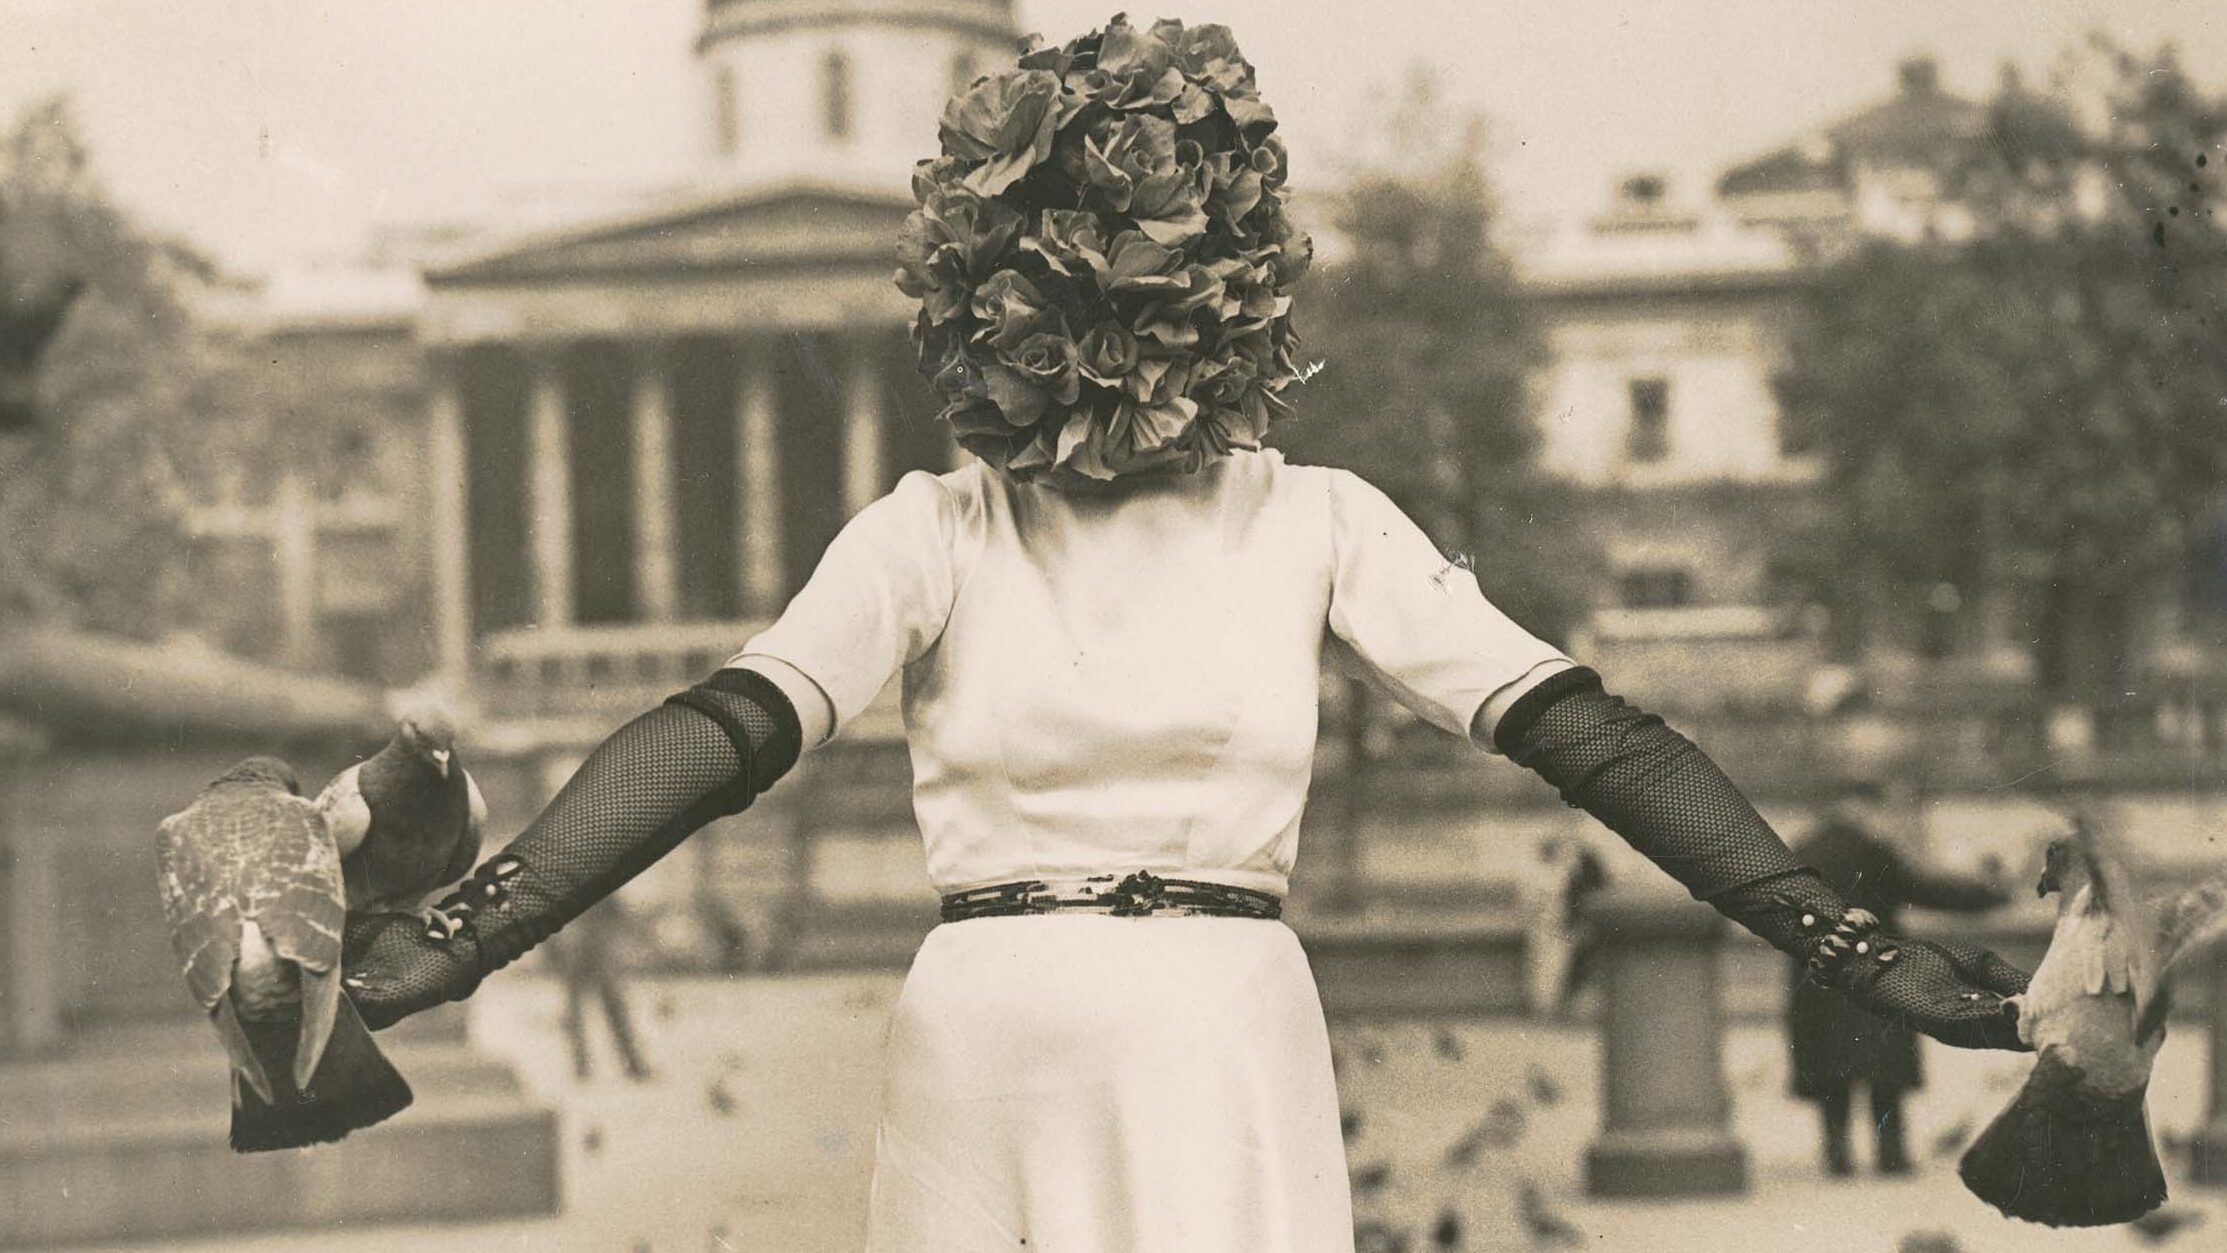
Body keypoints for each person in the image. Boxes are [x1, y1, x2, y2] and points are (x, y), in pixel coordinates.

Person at [340, 18, 2032, 1250]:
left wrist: (1861, 951)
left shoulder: (1275, 515)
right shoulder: (982, 523)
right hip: (1083, 1017)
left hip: (1150, 1019)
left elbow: (1598, 740)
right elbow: (714, 738)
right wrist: (472, 930)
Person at [1787, 780, 2012, 1176]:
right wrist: (1988, 894)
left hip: (1819, 974)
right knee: (1883, 1070)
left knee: (1829, 1072)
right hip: (1874, 972)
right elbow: (1925, 890)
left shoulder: (1802, 850)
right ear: (1858, 806)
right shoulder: (1872, 852)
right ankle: (1890, 1156)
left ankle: (1837, 1158)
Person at [544, 896, 652, 1082]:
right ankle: (582, 1067)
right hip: (577, 951)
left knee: (614, 1008)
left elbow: (617, 913)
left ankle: (632, 1064)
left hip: (597, 950)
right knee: (576, 1012)